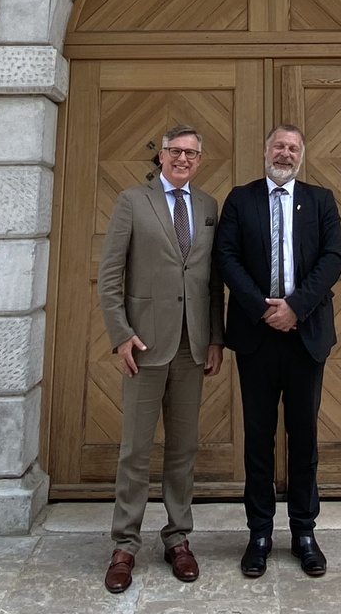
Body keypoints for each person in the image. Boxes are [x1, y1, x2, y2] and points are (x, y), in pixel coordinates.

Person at [96, 124, 225, 593]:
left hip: (192, 348)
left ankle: (177, 538)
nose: (183, 159)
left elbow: (212, 282)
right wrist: (120, 335)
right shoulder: (133, 201)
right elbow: (110, 275)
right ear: (161, 156)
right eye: (175, 151)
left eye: (191, 153)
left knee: (183, 450)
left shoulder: (209, 207)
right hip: (145, 347)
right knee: (134, 450)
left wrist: (215, 338)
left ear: (199, 159)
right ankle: (125, 545)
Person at [214, 123, 341, 579]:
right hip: (256, 336)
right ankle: (260, 534)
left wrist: (294, 307)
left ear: (301, 156)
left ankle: (305, 533)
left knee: (304, 437)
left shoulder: (321, 200)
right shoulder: (240, 199)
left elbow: (333, 259)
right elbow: (226, 256)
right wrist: (262, 308)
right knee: (258, 438)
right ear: (265, 150)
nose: (284, 154)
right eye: (278, 146)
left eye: (292, 148)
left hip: (306, 335)